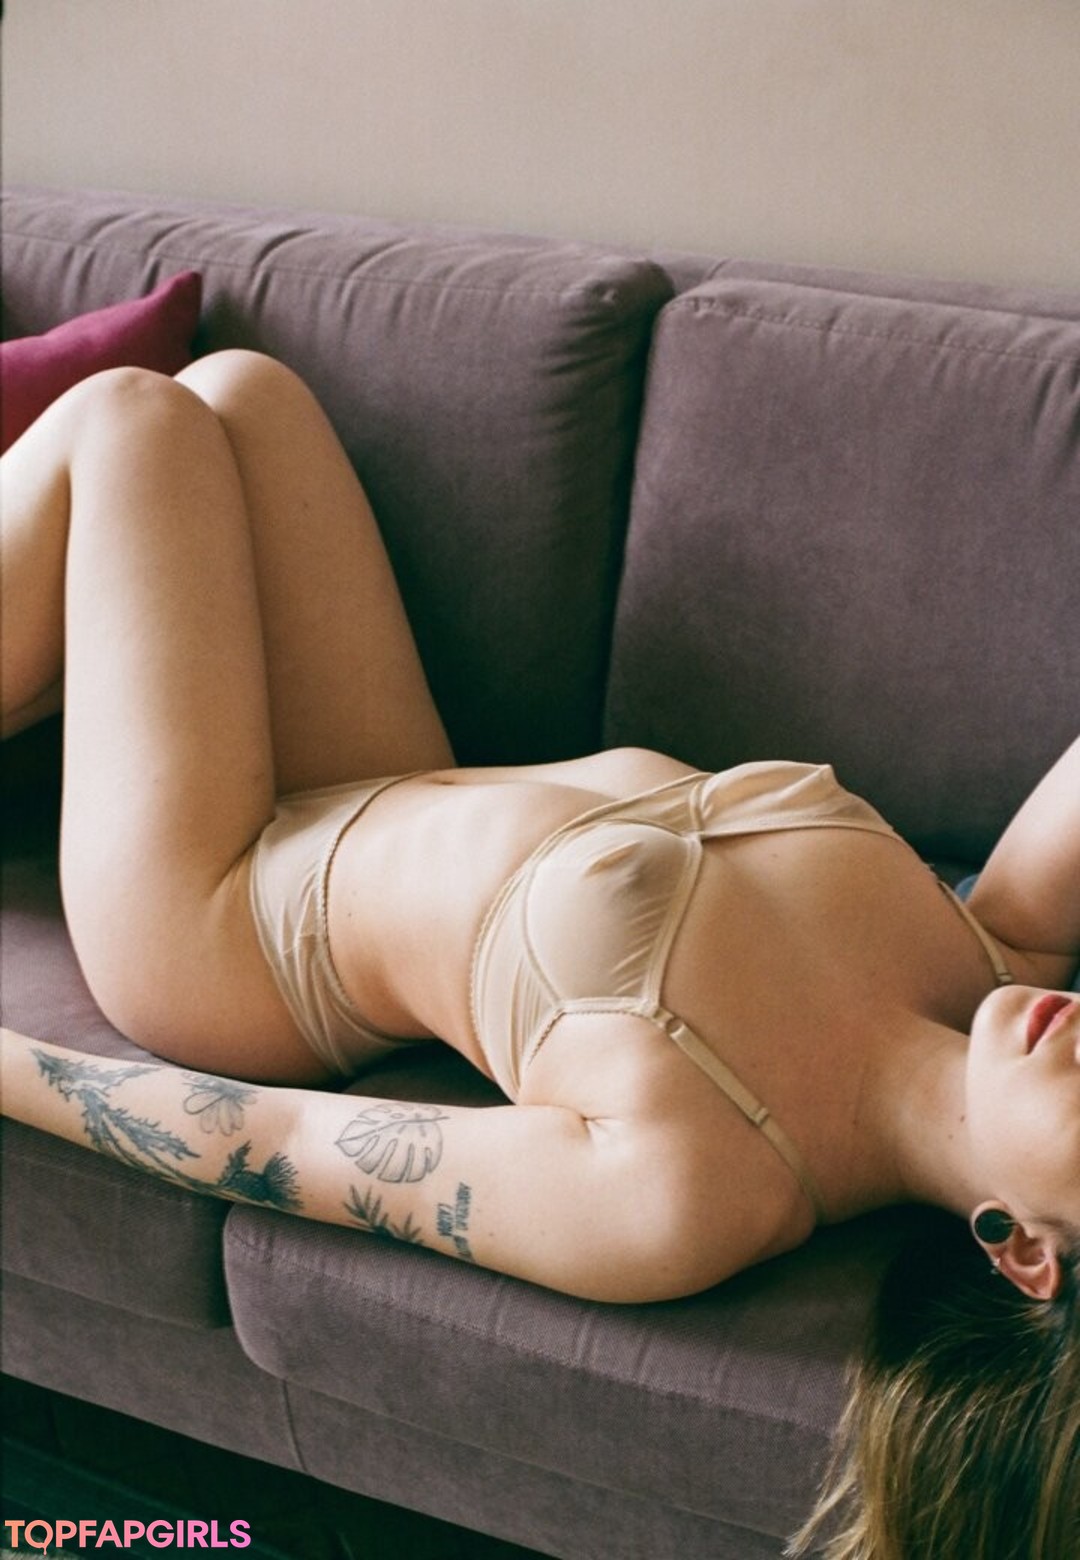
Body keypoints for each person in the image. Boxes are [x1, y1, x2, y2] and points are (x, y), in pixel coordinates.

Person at [2, 352, 1078, 1553]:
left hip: (227, 921)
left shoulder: (699, 1192)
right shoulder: (1002, 950)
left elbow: (285, 1142)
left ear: (1030, 1256)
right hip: (375, 777)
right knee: (243, 393)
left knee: (135, 422)